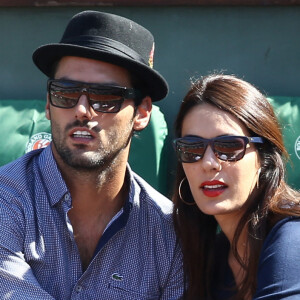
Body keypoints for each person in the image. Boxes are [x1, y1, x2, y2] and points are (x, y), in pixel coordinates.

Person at [0, 10, 183, 299]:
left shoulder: (168, 232)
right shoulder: (5, 201)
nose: (82, 110)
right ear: (48, 104)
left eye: (105, 97)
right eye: (65, 93)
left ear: (142, 113)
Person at [172, 74, 300, 300]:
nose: (209, 163)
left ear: (264, 159)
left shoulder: (293, 237)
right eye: (192, 148)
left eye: (229, 147)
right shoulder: (211, 256)